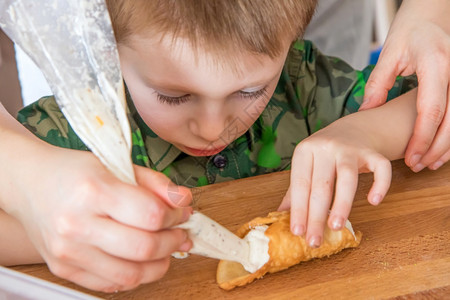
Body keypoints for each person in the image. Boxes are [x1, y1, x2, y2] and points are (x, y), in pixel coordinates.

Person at [0, 0, 448, 293]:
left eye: (251, 90)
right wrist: (49, 218)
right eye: (174, 96)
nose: (213, 127)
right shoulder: (67, 136)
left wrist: (365, 132)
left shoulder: (307, 87)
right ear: (107, 51)